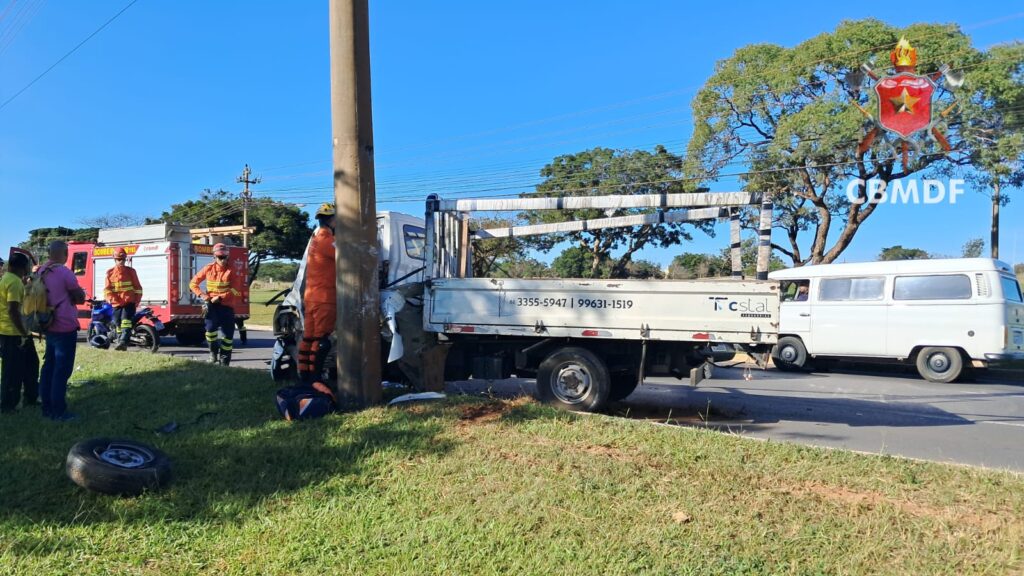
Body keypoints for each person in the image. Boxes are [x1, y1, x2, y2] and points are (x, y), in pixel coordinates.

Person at [39, 241, 86, 421]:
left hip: (47, 324)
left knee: (48, 367)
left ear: (49, 253)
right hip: (64, 325)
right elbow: (79, 297)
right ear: (66, 253)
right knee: (61, 370)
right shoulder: (64, 272)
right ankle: (59, 411)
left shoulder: (41, 272)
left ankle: (46, 407)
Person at [298, 203, 337, 385]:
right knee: (322, 340)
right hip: (325, 298)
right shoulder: (328, 241)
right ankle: (315, 378)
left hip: (312, 296)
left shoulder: (315, 239)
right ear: (332, 219)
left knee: (309, 338)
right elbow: (348, 258)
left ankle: (305, 376)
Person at [190, 243, 240, 366]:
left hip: (227, 307)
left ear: (228, 256)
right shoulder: (208, 268)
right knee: (210, 331)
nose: (222, 260)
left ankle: (225, 361)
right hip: (211, 305)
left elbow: (236, 290)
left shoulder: (232, 270)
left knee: (227, 336)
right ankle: (213, 355)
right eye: (219, 257)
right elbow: (193, 284)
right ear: (214, 256)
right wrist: (204, 296)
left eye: (225, 257)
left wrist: (220, 297)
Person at [0, 253, 38, 413]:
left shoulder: (7, 279)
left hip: (16, 332)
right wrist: (23, 332)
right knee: (12, 370)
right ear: (20, 267)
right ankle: (8, 405)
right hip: (13, 334)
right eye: (26, 266)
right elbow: (12, 310)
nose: (28, 269)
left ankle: (31, 396)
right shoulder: (14, 283)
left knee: (31, 364)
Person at [104, 247, 143, 351]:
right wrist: (111, 298)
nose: (121, 261)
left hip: (129, 302)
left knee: (125, 321)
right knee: (117, 323)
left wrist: (136, 301)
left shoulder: (131, 272)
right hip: (116, 304)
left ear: (125, 259)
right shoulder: (110, 273)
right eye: (118, 259)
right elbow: (107, 289)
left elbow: (138, 288)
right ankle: (120, 341)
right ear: (114, 259)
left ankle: (123, 342)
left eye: (122, 259)